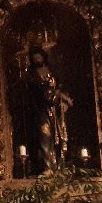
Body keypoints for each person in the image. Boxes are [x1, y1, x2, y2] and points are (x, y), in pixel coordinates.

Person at [24, 45, 72, 174]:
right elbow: (34, 92)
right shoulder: (31, 74)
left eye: (39, 57)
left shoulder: (52, 70)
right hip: (41, 109)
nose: (37, 59)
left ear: (43, 57)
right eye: (34, 58)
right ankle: (47, 166)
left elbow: (61, 86)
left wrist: (61, 97)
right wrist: (47, 92)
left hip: (56, 108)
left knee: (61, 134)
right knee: (45, 135)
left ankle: (62, 164)